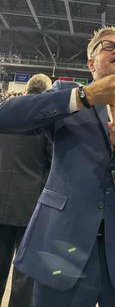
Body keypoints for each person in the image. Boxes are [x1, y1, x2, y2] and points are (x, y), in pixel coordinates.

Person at [0, 26, 115, 307]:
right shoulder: (66, 94)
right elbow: (7, 117)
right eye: (108, 45)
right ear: (90, 63)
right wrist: (84, 96)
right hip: (63, 246)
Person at [0, 74, 53, 307]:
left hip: (1, 202)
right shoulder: (45, 121)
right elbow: (55, 165)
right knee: (25, 277)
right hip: (32, 208)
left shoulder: (5, 113)